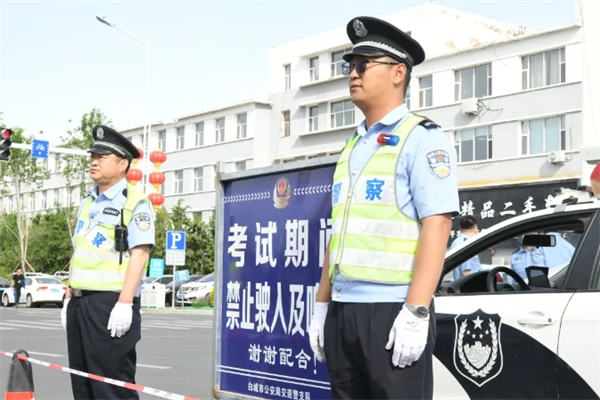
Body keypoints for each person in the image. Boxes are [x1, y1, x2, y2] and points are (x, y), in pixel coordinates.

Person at [308, 16, 459, 400]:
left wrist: (417, 310)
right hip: (344, 310)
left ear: (398, 72)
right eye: (349, 65)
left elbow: (438, 224)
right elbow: (339, 232)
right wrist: (322, 305)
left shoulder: (421, 138)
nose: (352, 74)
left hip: (391, 309)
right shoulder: (353, 145)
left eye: (363, 64)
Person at [61, 125, 155, 400]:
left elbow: (140, 254)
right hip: (79, 302)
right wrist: (69, 295)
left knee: (111, 386)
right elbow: (81, 251)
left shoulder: (134, 202)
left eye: (102, 157)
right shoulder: (88, 202)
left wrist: (125, 303)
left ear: (123, 164)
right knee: (82, 384)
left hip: (110, 304)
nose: (94, 161)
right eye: (93, 156)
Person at [450, 216, 481, 280]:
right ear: (475, 229)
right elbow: (466, 272)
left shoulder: (455, 242)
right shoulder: (466, 244)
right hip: (469, 284)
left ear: (460, 228)